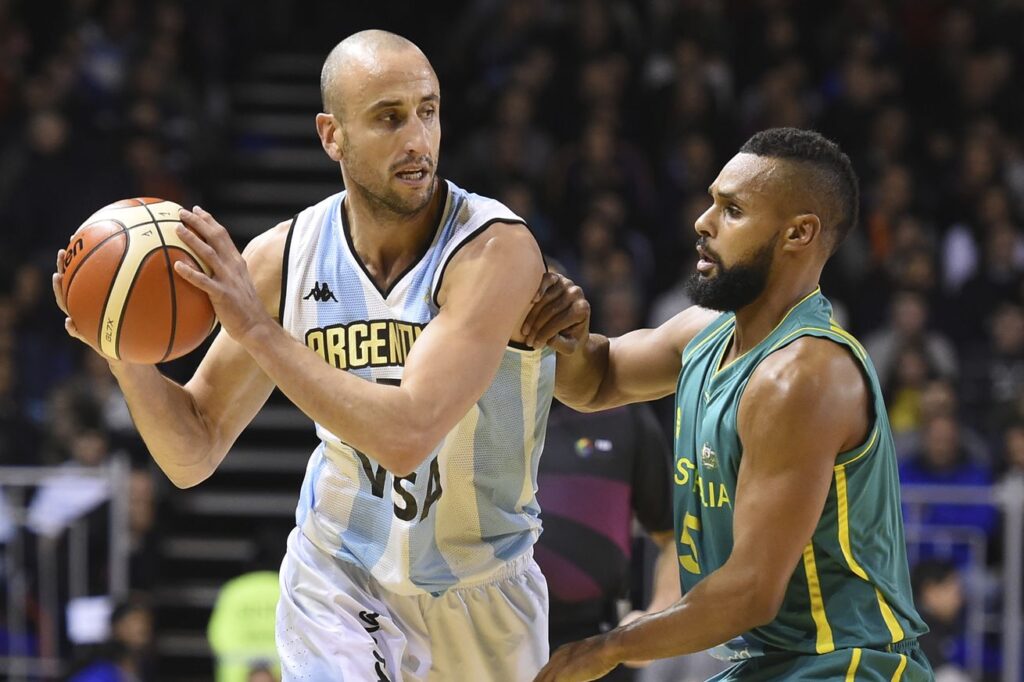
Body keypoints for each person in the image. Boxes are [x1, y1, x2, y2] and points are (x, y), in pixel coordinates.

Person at [53, 30, 581, 682]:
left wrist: (261, 332)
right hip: (341, 570)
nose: (417, 137)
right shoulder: (283, 258)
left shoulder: (494, 250)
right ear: (332, 136)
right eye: (389, 117)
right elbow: (193, 450)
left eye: (428, 109)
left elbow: (409, 433)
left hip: (482, 589)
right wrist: (123, 349)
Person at [527, 128, 931, 681]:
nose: (703, 221)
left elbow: (750, 591)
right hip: (772, 662)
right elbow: (595, 382)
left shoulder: (802, 376)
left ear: (799, 233)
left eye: (733, 210)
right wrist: (565, 334)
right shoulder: (706, 333)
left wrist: (606, 648)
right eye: (712, 201)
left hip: (844, 663)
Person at [535, 400, 679, 681]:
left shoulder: (625, 411)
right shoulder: (478, 400)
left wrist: (655, 617)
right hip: (478, 636)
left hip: (591, 644)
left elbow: (676, 538)